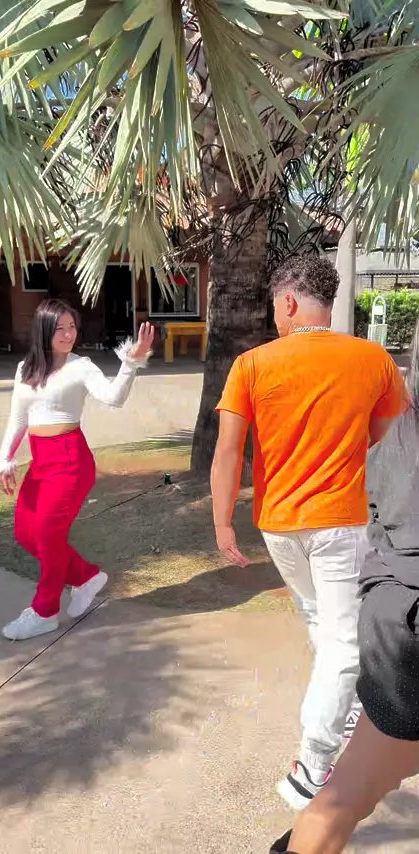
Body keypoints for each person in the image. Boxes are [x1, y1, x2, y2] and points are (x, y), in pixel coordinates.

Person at [212, 256, 405, 810]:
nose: (274, 315)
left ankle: (331, 733)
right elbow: (384, 433)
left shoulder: (251, 364)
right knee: (342, 637)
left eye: (275, 305)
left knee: (325, 624)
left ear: (290, 301)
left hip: (278, 525)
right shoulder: (373, 359)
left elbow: (228, 451)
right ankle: (316, 761)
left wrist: (223, 522)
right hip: (341, 521)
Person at [269, 320, 419, 853]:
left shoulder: (393, 420)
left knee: (359, 784)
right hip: (400, 616)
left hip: (388, 606)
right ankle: (314, 768)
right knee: (352, 787)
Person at [0, 299, 154, 641]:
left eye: (72, 327)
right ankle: (86, 576)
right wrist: (4, 459)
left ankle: (44, 612)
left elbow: (114, 397)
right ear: (43, 330)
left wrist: (131, 362)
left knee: (48, 533)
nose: (68, 334)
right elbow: (18, 418)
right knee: (25, 532)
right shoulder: (25, 368)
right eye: (60, 328)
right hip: (41, 461)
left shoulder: (81, 367)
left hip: (70, 460)